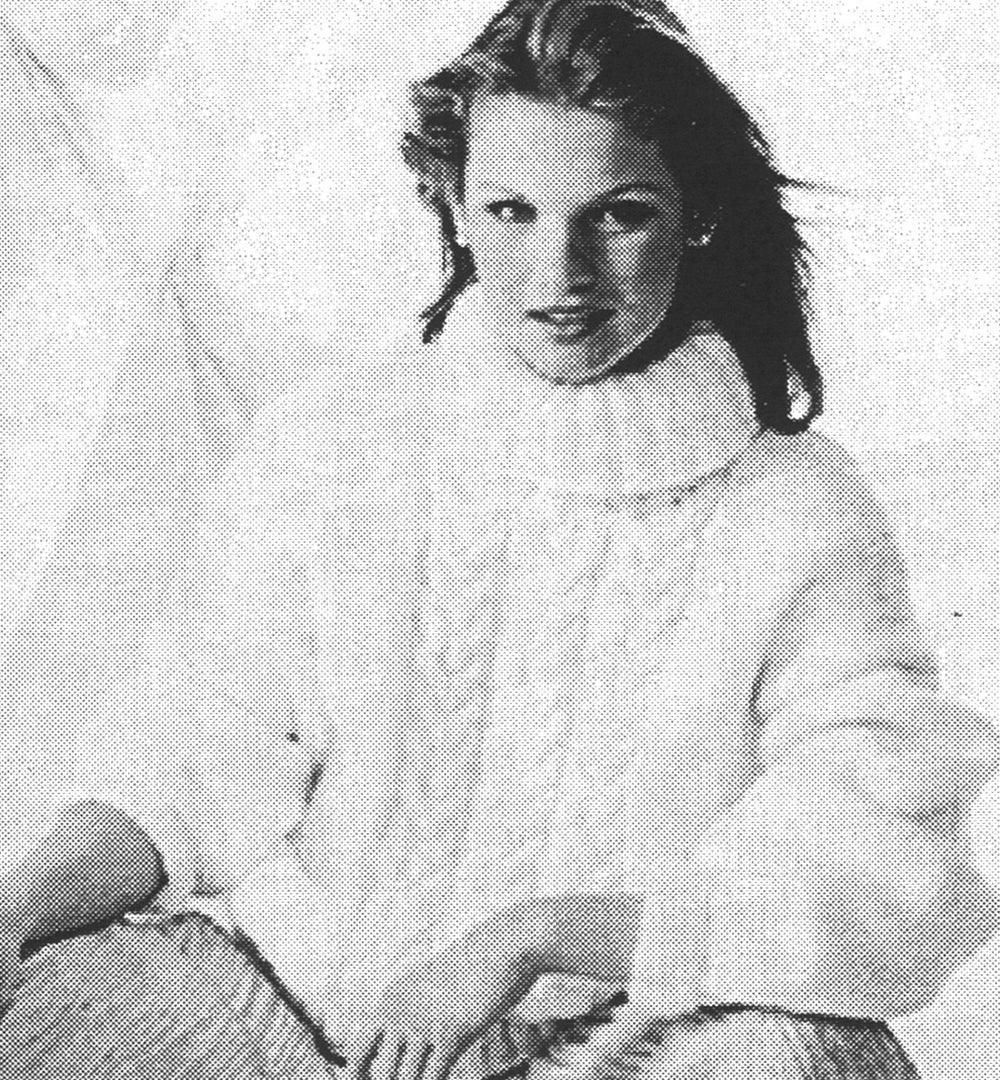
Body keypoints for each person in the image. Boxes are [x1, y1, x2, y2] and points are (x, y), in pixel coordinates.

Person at [0, 1, 997, 1077]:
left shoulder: (798, 506)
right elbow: (191, 755)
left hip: (628, 1049)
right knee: (62, 1004)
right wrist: (15, 910)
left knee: (805, 1056)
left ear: (700, 211)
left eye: (618, 215)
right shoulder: (332, 444)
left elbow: (878, 871)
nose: (559, 274)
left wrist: (532, 937)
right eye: (513, 210)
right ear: (454, 205)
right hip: (290, 1036)